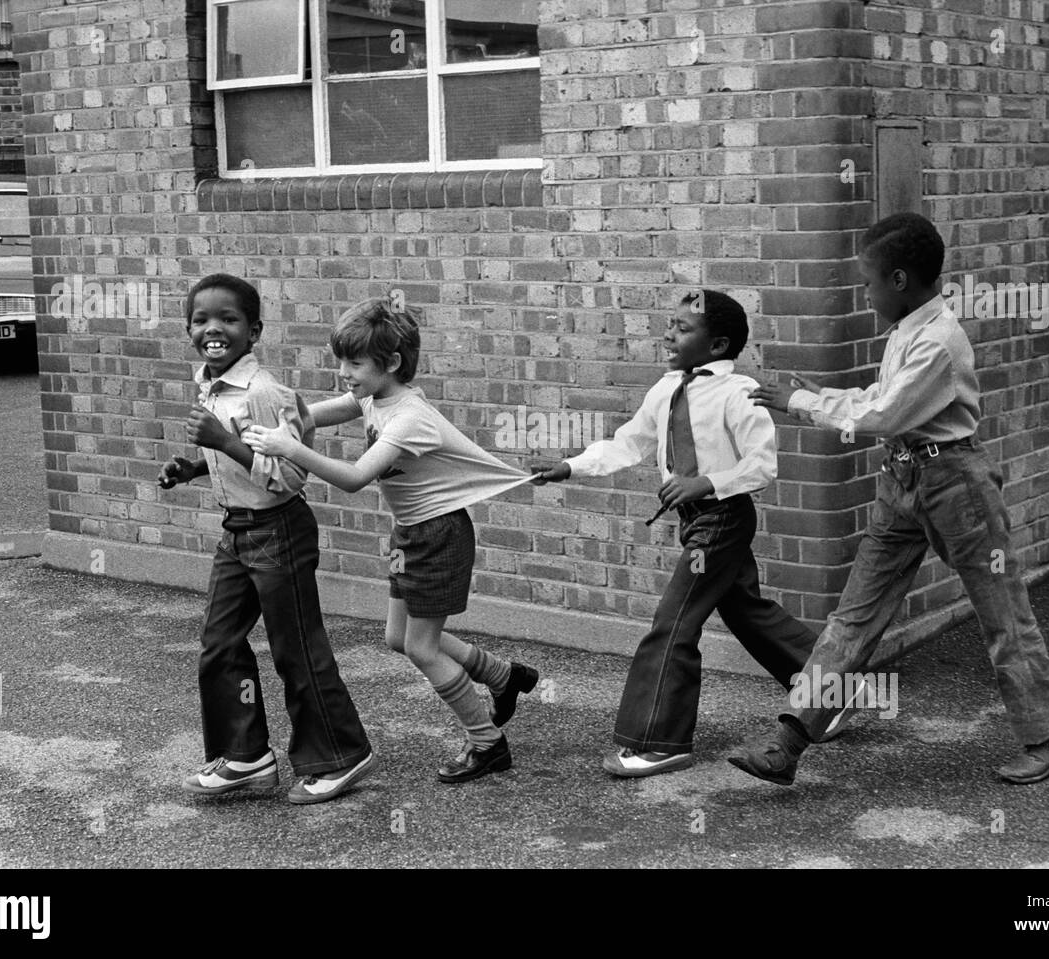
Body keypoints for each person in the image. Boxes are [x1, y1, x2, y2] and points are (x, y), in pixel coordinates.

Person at [730, 212, 1049, 786]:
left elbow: (886, 414)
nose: (864, 295)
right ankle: (788, 742)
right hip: (902, 481)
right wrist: (825, 396)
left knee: (1004, 617)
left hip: (956, 487)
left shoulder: (939, 340)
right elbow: (882, 397)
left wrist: (799, 403)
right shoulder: (909, 329)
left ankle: (1047, 736)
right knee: (854, 617)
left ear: (897, 280)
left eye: (866, 282)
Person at [242, 297, 539, 784]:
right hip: (411, 533)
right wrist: (284, 417)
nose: (344, 372)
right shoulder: (372, 396)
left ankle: (487, 743)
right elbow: (316, 414)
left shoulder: (410, 418)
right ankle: (505, 677)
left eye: (354, 363)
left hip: (439, 534)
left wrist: (289, 447)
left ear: (392, 363)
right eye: (341, 360)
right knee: (397, 638)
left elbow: (357, 476)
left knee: (422, 647)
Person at [533, 290, 818, 778]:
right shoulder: (666, 388)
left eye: (683, 329)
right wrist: (569, 467)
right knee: (747, 611)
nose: (668, 334)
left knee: (673, 621)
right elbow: (630, 443)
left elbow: (763, 465)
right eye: (670, 324)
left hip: (723, 517)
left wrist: (705, 482)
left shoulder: (738, 393)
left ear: (718, 345)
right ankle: (835, 690)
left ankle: (660, 741)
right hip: (696, 519)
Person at [161, 273, 376, 805]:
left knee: (295, 647)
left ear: (253, 331)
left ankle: (341, 755)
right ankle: (246, 755)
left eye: (228, 320)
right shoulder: (212, 382)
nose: (214, 329)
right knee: (219, 644)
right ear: (187, 329)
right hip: (237, 531)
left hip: (278, 530)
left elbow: (289, 476)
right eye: (201, 320)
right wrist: (192, 468)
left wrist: (223, 442)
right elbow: (239, 467)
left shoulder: (263, 392)